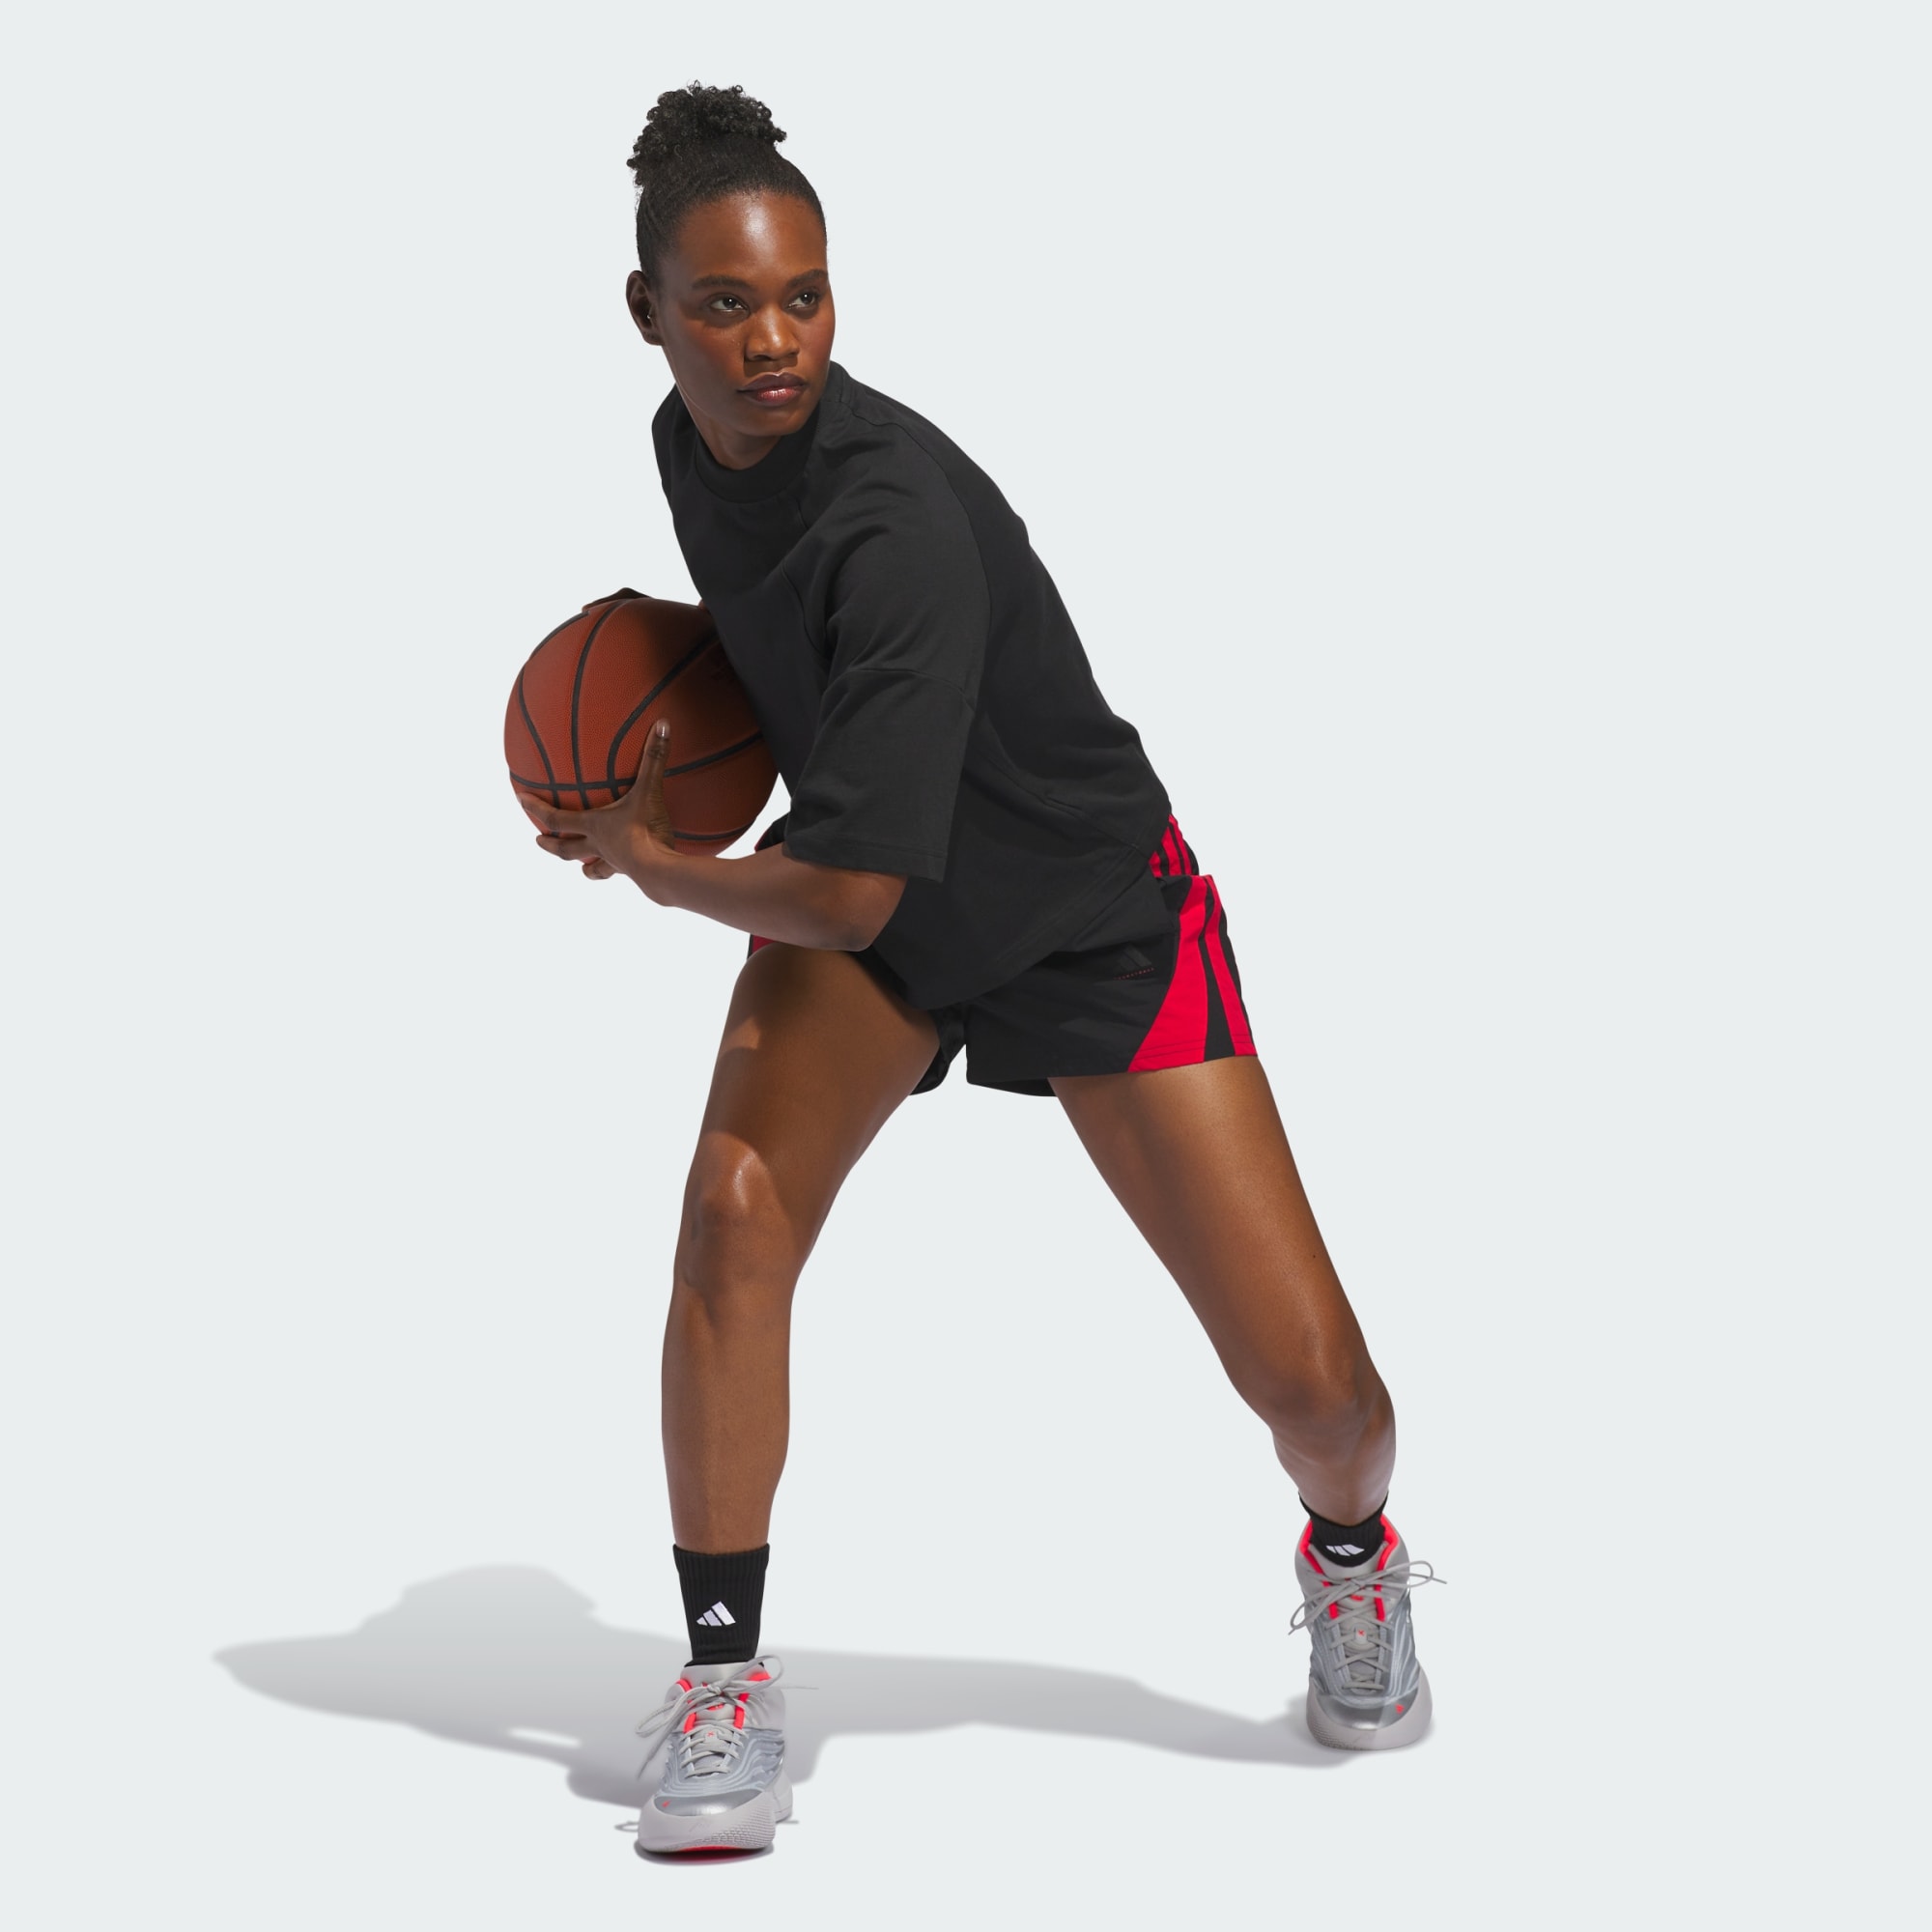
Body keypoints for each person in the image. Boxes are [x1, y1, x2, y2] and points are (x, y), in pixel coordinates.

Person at [517, 82, 1442, 1860]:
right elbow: (803, 733)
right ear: (648, 312)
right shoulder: (688, 443)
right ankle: (724, 1682)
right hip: (883, 921)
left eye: (805, 297)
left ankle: (1354, 1554)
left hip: (1082, 915)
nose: (773, 342)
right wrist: (665, 723)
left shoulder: (901, 523)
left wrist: (655, 859)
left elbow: (846, 888)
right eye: (726, 304)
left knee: (1319, 1395)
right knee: (731, 1211)